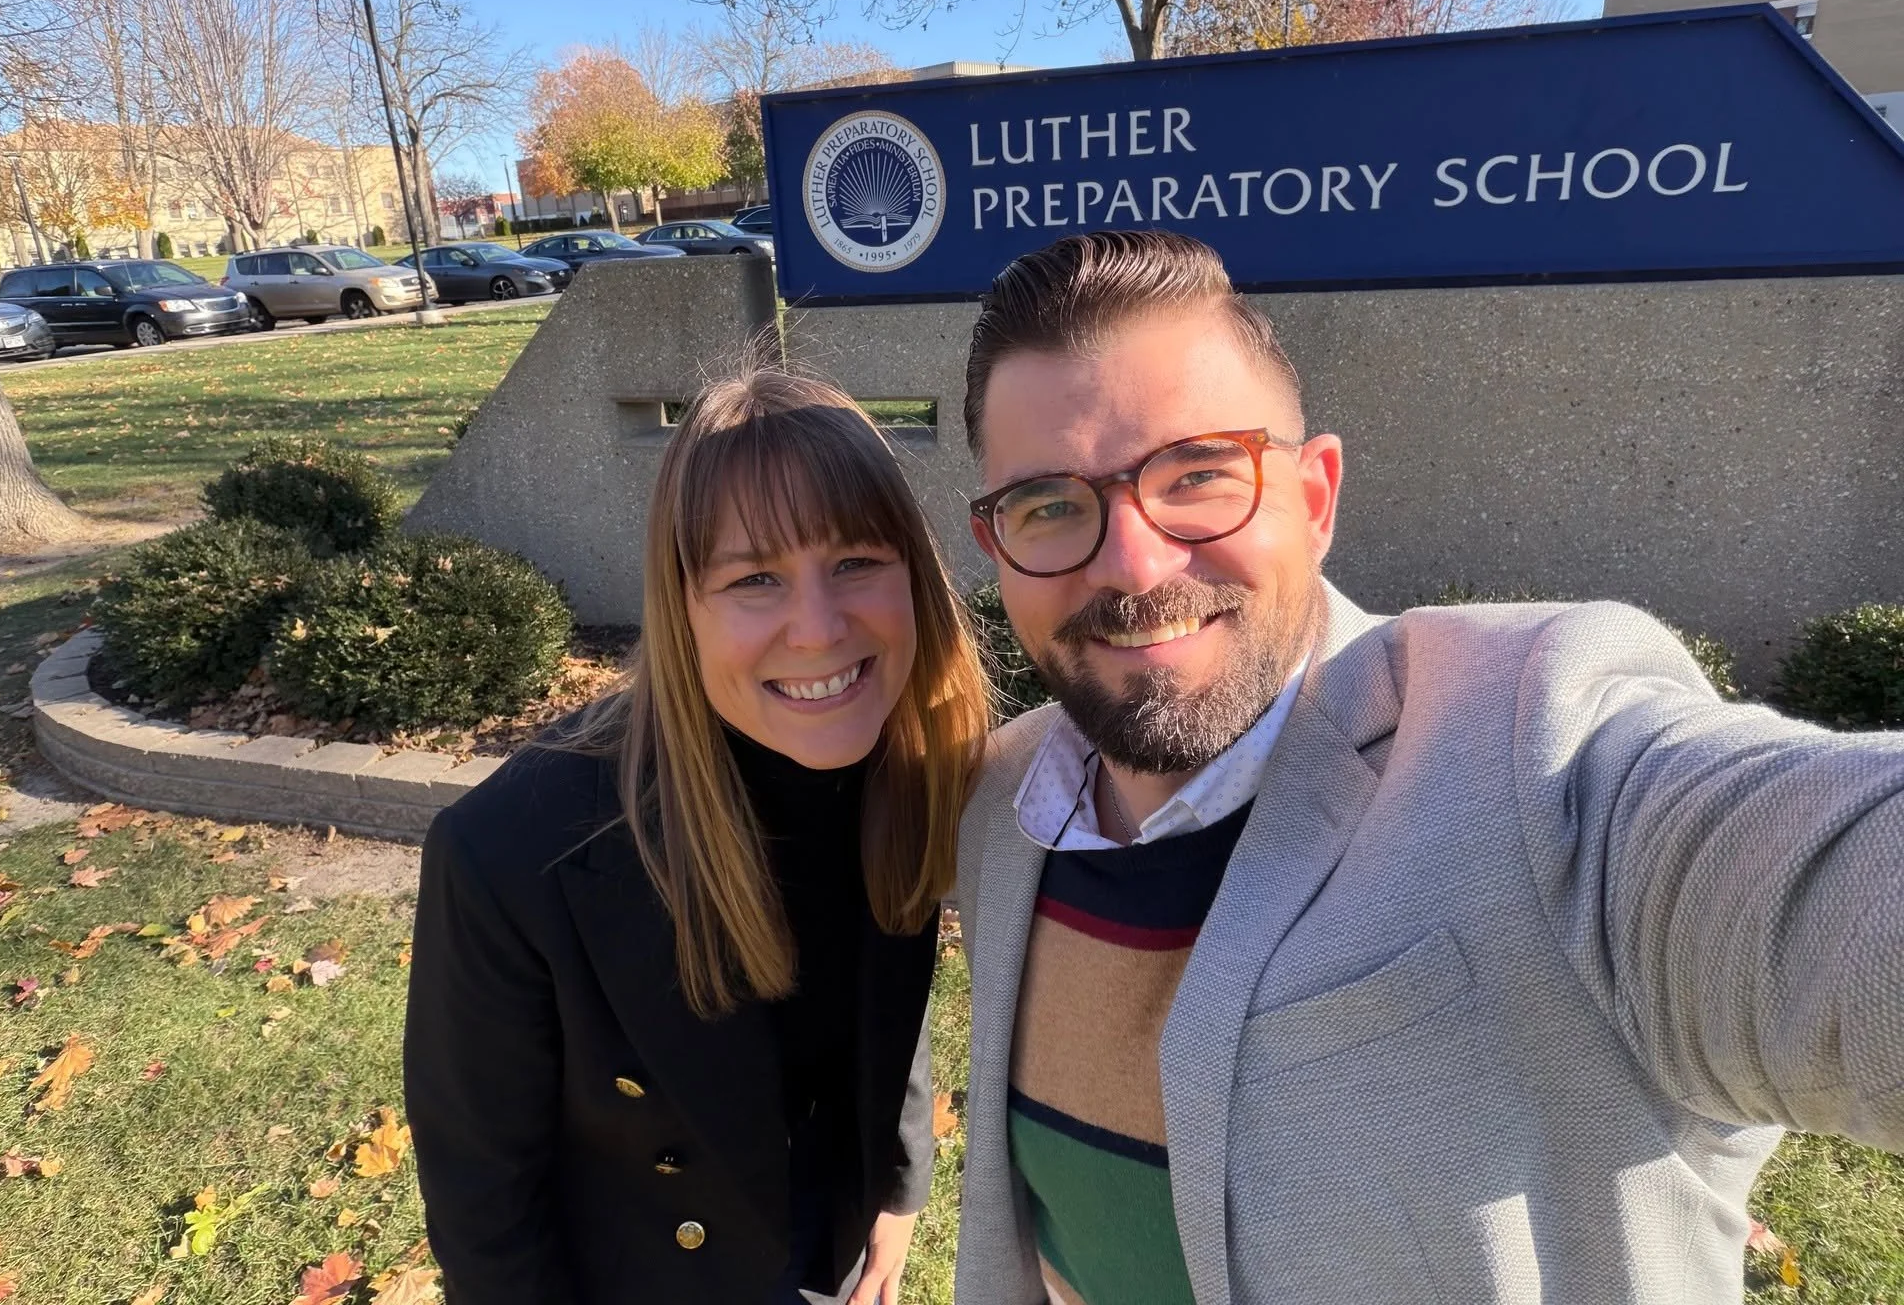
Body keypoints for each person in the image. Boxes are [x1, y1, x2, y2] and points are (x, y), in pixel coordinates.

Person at [950, 229, 1904, 1305]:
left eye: (1199, 475)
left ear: (1314, 499)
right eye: (1050, 505)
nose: (1132, 562)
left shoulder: (1538, 753)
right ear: (997, 550)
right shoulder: (1001, 807)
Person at [405, 363, 989, 1305]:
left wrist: (895, 1187)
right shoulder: (511, 853)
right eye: (755, 577)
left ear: (915, 577)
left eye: (856, 563)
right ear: (683, 610)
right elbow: (484, 1203)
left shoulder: (909, 765)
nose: (818, 628)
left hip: (828, 1242)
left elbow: (889, 1001)